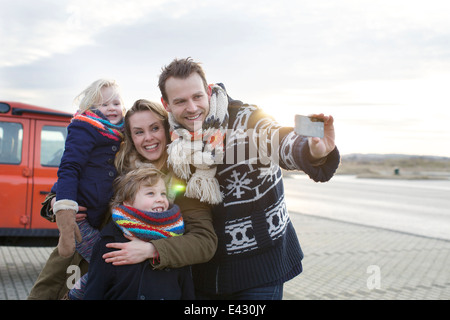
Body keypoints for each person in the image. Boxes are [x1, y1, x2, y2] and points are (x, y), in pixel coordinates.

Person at [158, 57, 341, 299]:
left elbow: (278, 138)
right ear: (166, 104)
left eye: (197, 97)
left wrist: (312, 151)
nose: (192, 108)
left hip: (261, 268)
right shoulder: (171, 141)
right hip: (203, 275)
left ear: (209, 91)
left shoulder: (247, 119)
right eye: (180, 101)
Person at [28, 99, 217, 300]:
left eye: (155, 128)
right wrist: (55, 203)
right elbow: (69, 182)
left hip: (144, 283)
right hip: (77, 267)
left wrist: (152, 249)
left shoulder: (185, 178)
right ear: (130, 136)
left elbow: (204, 241)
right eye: (138, 132)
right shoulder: (115, 167)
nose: (148, 138)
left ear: (167, 130)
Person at [84, 166, 194, 300]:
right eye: (150, 193)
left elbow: (186, 290)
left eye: (163, 193)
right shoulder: (109, 243)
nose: (160, 199)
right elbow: (95, 292)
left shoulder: (175, 238)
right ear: (128, 202)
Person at [52, 79, 125, 260]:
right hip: (81, 215)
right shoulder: (85, 127)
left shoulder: (121, 132)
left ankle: (81, 288)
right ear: (90, 108)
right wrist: (65, 206)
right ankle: (77, 289)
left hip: (102, 215)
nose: (112, 108)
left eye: (116, 103)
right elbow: (69, 167)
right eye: (104, 104)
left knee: (105, 267)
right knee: (102, 263)